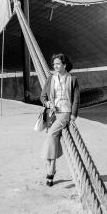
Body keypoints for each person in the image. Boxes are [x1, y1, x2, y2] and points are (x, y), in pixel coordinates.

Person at [40, 53, 80, 186]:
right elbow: (43, 96)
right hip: (52, 113)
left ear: (64, 65)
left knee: (51, 134)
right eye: (54, 64)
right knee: (54, 138)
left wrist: (73, 115)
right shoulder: (51, 78)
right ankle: (52, 167)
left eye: (58, 64)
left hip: (65, 113)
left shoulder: (72, 79)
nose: (55, 66)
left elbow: (76, 99)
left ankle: (50, 170)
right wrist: (47, 103)